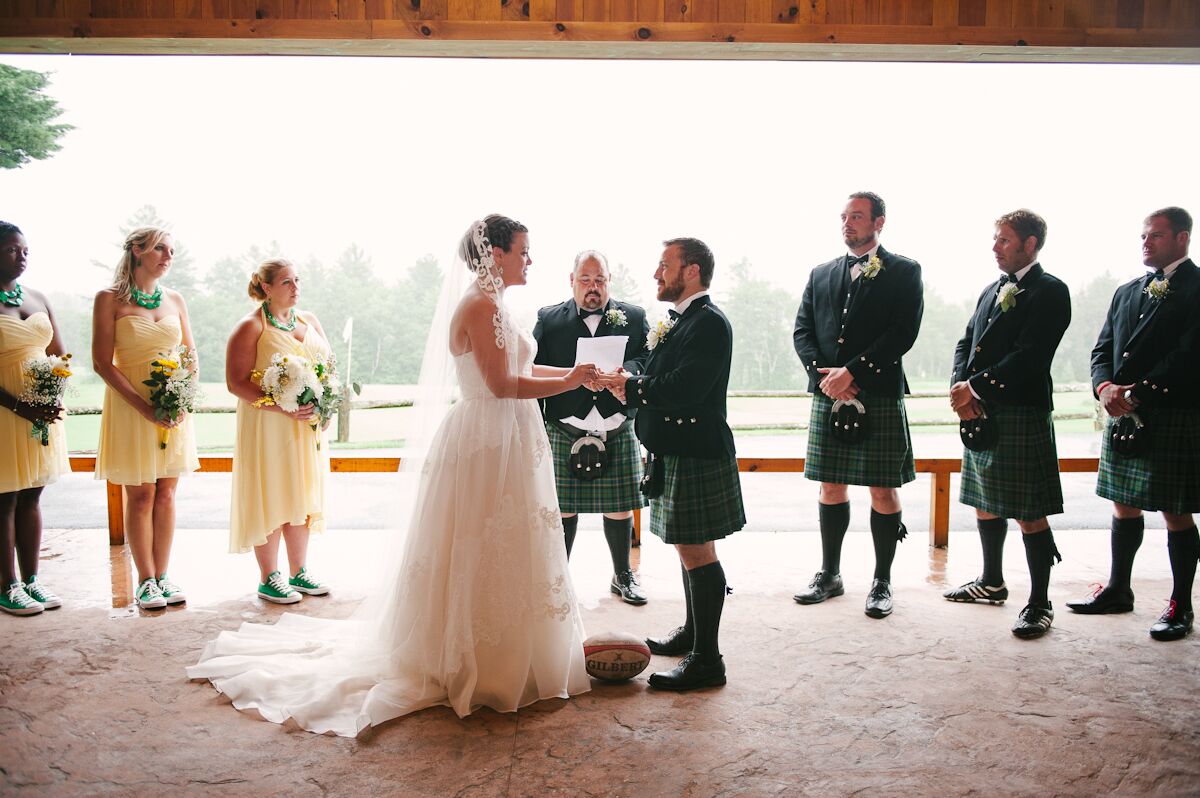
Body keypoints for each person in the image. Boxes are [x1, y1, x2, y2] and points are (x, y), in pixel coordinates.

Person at [188, 215, 596, 735]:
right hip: (486, 439)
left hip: (513, 436)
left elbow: (522, 368)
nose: (530, 260)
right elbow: (498, 383)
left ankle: (521, 649)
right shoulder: (477, 305)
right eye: (523, 251)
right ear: (494, 253)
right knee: (477, 539)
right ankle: (478, 660)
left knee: (513, 538)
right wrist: (574, 381)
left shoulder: (497, 305)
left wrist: (575, 376)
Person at [607, 237, 744, 691]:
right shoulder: (681, 322)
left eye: (664, 265)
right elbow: (653, 365)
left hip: (696, 452)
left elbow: (685, 387)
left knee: (697, 550)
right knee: (689, 547)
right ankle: (693, 634)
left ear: (691, 271)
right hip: (677, 450)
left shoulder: (708, 323)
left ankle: (708, 660)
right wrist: (627, 377)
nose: (656, 274)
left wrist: (632, 389)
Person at [1068, 206, 1200, 642]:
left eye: (1156, 236)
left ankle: (1181, 605)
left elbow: (1190, 355)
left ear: (1182, 238)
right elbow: (1101, 348)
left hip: (1171, 412)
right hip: (1123, 412)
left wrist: (1137, 391)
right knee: (1123, 502)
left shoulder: (1198, 287)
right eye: (1144, 235)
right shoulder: (1127, 291)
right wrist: (1103, 387)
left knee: (1174, 510)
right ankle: (1118, 589)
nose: (1146, 242)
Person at [792, 192, 923, 619]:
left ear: (879, 222)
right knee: (830, 484)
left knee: (882, 488)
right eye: (844, 217)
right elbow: (803, 331)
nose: (847, 223)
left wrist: (854, 372)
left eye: (858, 216)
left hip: (878, 390)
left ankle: (882, 581)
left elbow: (903, 332)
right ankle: (830, 574)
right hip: (830, 392)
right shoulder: (820, 273)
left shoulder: (904, 270)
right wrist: (826, 377)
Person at [944, 210, 1071, 639]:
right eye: (995, 239)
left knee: (1028, 511)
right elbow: (966, 341)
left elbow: (1031, 355)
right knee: (987, 500)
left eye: (1004, 240)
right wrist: (959, 386)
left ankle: (1039, 603)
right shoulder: (992, 289)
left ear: (1030, 244)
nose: (995, 247)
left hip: (1019, 410)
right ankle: (992, 582)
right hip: (983, 409)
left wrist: (975, 389)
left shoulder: (1051, 291)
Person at [532, 250, 650, 605]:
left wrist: (624, 372)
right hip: (567, 425)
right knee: (562, 508)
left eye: (599, 280)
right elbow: (533, 366)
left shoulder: (633, 315)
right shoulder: (550, 319)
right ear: (572, 281)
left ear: (609, 280)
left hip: (615, 424)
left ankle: (623, 575)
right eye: (585, 280)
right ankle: (559, 579)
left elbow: (647, 357)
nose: (593, 288)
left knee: (620, 506)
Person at [93, 227, 199, 611]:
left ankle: (164, 575)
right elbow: (102, 363)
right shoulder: (108, 299)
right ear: (137, 251)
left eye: (172, 250)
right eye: (160, 249)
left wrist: (182, 397)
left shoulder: (175, 299)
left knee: (167, 494)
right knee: (140, 495)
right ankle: (145, 580)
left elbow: (190, 356)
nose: (168, 256)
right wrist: (143, 407)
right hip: (131, 405)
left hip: (172, 407)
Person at [225, 258, 334, 604]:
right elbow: (235, 382)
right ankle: (269, 576)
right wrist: (279, 405)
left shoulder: (309, 320)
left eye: (297, 280)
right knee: (271, 492)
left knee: (301, 491)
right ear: (266, 287)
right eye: (286, 282)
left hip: (306, 427)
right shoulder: (251, 327)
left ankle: (299, 570)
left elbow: (327, 369)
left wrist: (325, 404)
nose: (295, 287)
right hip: (268, 426)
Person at [0, 221, 69, 616]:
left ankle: (32, 580)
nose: (21, 256)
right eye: (11, 250)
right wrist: (18, 405)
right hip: (6, 411)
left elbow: (59, 353)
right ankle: (6, 585)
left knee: (32, 495)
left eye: (25, 250)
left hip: (40, 409)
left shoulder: (38, 297)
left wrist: (52, 391)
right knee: (4, 499)